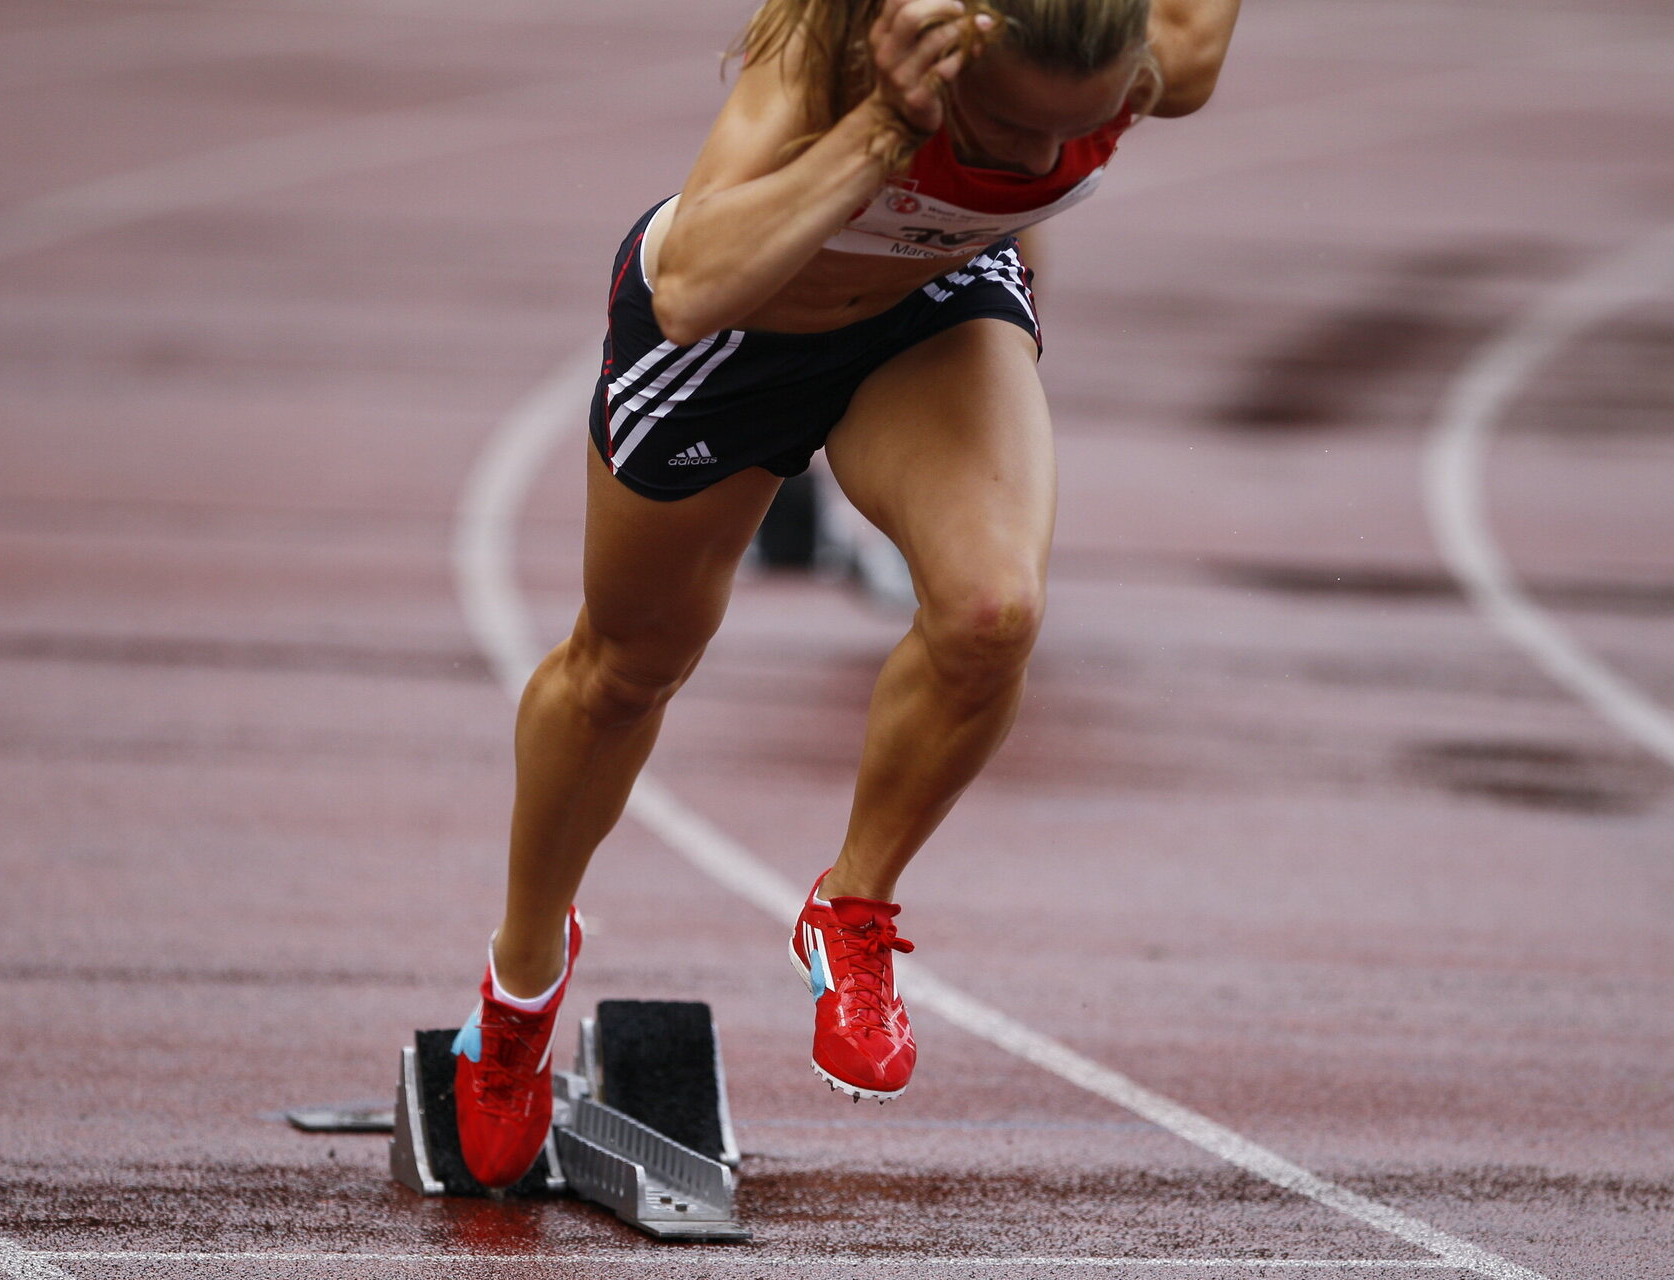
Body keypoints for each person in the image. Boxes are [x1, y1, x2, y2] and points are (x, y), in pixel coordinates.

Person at [449, 0, 1241, 1189]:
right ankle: (520, 982)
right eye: (1007, 130)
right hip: (740, 328)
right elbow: (691, 284)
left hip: (931, 309)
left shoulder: (1153, 56)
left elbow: (1180, 62)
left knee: (993, 614)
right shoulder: (823, 52)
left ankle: (852, 909)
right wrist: (883, 132)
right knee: (624, 669)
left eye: (1071, 137)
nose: (1034, 163)